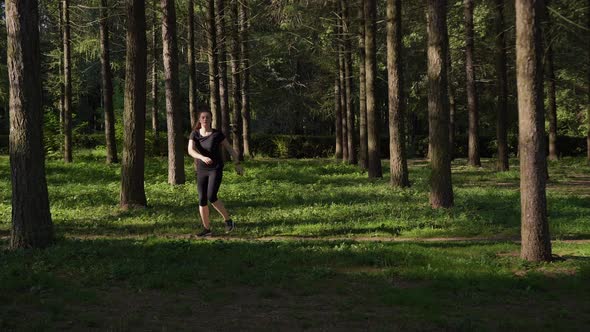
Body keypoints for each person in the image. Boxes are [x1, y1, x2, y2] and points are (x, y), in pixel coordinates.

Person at [187, 110, 244, 237]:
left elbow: (229, 148)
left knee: (211, 196)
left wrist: (237, 164)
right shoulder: (195, 134)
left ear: (211, 119)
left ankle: (228, 221)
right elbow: (190, 150)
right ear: (200, 120)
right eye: (203, 117)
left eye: (208, 117)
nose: (205, 119)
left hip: (215, 168)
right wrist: (201, 157)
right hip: (202, 169)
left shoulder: (217, 134)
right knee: (202, 199)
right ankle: (207, 229)